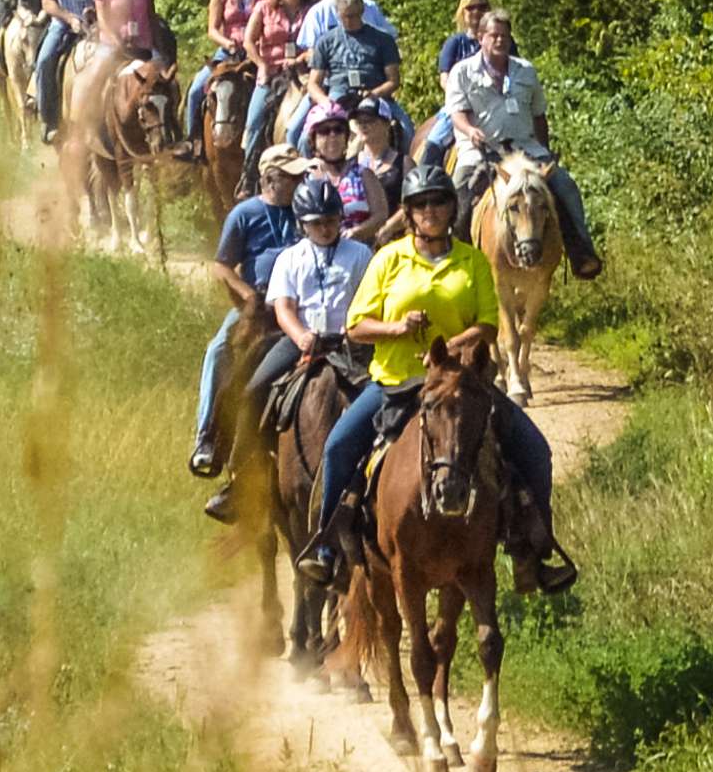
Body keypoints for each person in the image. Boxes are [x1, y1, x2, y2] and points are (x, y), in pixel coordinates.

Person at [295, 165, 577, 593]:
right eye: (421, 204)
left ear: (451, 208)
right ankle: (328, 550)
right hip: (396, 382)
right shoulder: (388, 260)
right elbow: (356, 326)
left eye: (439, 202)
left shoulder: (473, 261)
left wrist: (448, 350)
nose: (431, 210)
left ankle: (535, 552)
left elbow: (487, 325)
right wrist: (399, 330)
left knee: (535, 450)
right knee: (337, 449)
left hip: (462, 384)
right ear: (409, 212)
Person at [206, 177, 376, 522]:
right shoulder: (289, 258)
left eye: (331, 221)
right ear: (302, 224)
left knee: (388, 396)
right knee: (253, 391)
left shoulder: (361, 255)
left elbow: (371, 299)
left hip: (352, 347)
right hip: (300, 341)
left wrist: (353, 332)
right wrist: (300, 336)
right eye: (317, 223)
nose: (326, 229)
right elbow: (283, 308)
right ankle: (240, 479)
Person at [443, 10, 603, 280]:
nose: (500, 41)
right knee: (460, 193)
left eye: (505, 36)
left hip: (526, 150)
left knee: (565, 187)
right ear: (481, 37)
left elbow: (539, 114)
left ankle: (580, 251)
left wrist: (546, 150)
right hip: (482, 150)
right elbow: (457, 114)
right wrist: (471, 131)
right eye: (494, 35)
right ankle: (452, 262)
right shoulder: (463, 71)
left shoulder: (525, 71)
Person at [188, 143, 311, 483]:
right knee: (218, 352)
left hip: (302, 308)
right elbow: (222, 266)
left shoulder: (305, 211)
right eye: (292, 176)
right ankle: (207, 439)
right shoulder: (244, 215)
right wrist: (246, 296)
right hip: (258, 306)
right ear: (271, 179)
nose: (300, 180)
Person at [284, 0, 416, 153]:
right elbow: (313, 83)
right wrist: (325, 102)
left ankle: (405, 173)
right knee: (304, 139)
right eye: (347, 16)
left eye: (355, 15)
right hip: (337, 96)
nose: (351, 20)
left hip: (375, 95)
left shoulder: (383, 40)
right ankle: (309, 175)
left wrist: (374, 93)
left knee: (408, 131)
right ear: (338, 13)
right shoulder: (326, 41)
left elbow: (393, 80)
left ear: (361, 10)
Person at [180, 0, 266, 160]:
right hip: (227, 53)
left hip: (255, 54)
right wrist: (227, 43)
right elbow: (212, 28)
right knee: (196, 90)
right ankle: (195, 142)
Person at [237, 0, 318, 194]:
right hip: (270, 73)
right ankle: (249, 175)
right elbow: (249, 41)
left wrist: (301, 58)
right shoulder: (265, 8)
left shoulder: (310, 11)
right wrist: (261, 64)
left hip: (301, 73)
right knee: (254, 122)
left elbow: (316, 45)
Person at [33, 0, 109, 143]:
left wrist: (96, 15)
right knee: (45, 60)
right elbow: (46, 0)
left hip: (98, 25)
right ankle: (50, 120)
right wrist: (69, 18)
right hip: (63, 25)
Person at [414, 0, 509, 167]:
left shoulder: (503, 42)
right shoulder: (455, 43)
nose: (477, 12)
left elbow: (514, 73)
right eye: (470, 7)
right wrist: (464, 98)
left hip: (499, 105)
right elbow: (445, 79)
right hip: (460, 107)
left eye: (482, 6)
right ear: (462, 12)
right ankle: (426, 177)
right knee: (435, 141)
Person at [301, 102, 389, 242]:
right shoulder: (306, 177)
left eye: (338, 130)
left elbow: (381, 214)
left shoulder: (364, 174)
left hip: (359, 252)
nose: (332, 136)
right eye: (324, 131)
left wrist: (356, 232)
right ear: (313, 139)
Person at [352, 96, 409, 210]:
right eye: (359, 121)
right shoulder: (351, 164)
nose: (363, 126)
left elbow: (412, 205)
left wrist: (383, 227)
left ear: (386, 124)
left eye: (369, 120)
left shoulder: (404, 163)